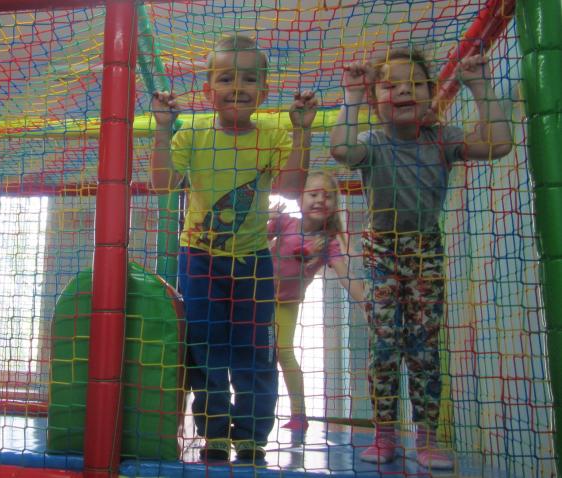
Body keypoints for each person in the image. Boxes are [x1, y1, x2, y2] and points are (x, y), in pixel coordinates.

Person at [330, 47, 512, 469]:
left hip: (426, 249)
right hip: (381, 249)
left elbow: (499, 144)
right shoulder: (372, 143)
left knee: (424, 347)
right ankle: (385, 433)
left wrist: (479, 86)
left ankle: (427, 437)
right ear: (376, 99)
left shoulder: (442, 139)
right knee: (384, 344)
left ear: (431, 93)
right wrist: (352, 96)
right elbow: (340, 150)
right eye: (389, 85)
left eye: (414, 84)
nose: (402, 91)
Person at [150, 33, 317, 462]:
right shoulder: (193, 135)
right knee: (206, 346)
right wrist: (164, 130)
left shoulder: (274, 133)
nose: (237, 87)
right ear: (209, 91)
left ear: (264, 92)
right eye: (226, 79)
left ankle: (250, 436)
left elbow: (291, 189)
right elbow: (162, 184)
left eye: (249, 79)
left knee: (255, 350)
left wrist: (302, 132)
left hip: (253, 261)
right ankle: (215, 434)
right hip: (199, 257)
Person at [268, 171, 366, 432]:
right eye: (313, 194)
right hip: (257, 296)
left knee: (283, 351)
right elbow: (255, 241)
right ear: (300, 199)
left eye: (328, 196)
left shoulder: (328, 243)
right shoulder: (285, 223)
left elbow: (345, 275)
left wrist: (366, 303)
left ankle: (299, 414)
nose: (321, 200)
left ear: (334, 206)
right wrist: (267, 216)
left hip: (287, 303)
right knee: (257, 353)